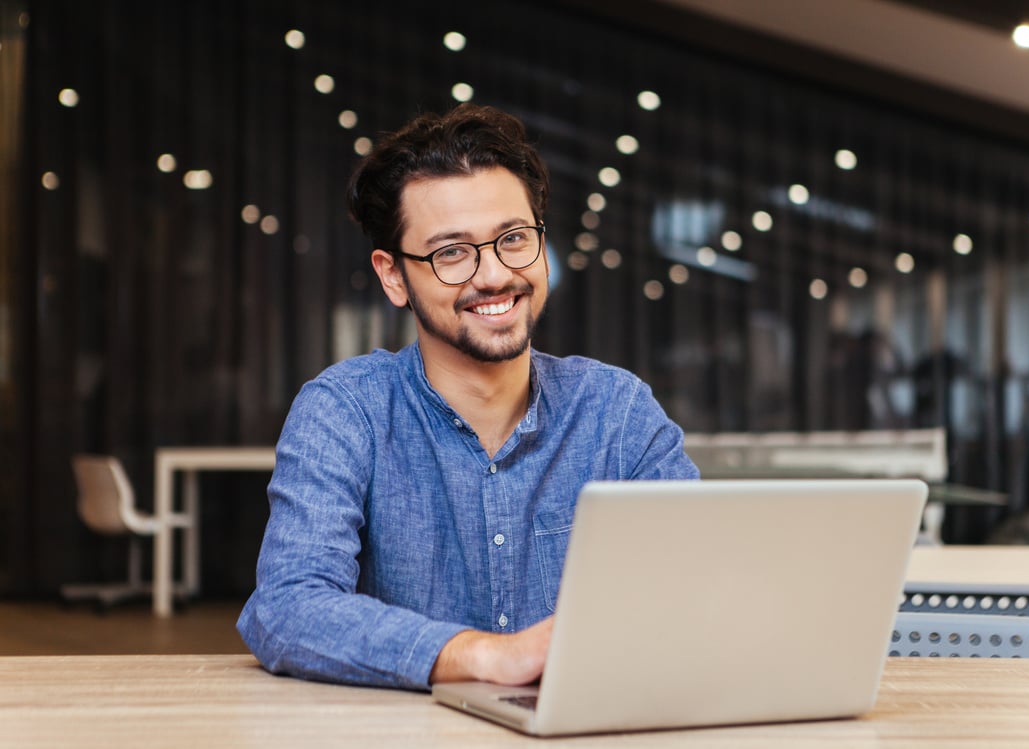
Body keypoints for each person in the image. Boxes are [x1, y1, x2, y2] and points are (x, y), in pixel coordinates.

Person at [237, 103, 698, 690]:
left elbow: (697, 586)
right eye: (451, 252)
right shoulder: (345, 411)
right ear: (394, 276)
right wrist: (480, 656)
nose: (494, 275)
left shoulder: (616, 410)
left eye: (513, 238)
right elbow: (287, 609)